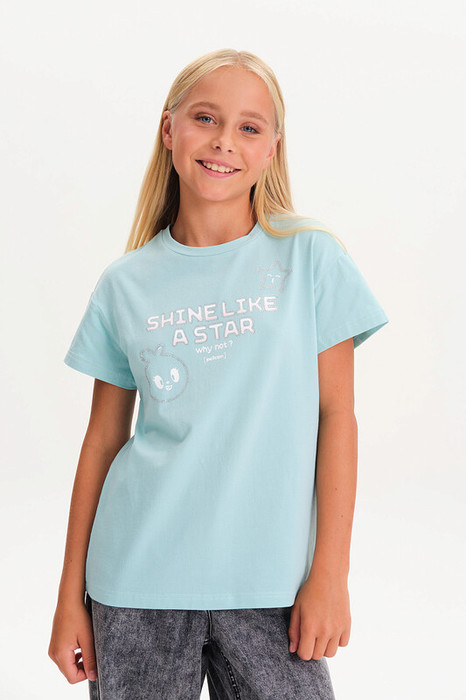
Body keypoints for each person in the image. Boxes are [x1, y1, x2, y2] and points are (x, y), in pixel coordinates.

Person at [48, 48, 389, 699]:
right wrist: (69, 598)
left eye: (249, 127)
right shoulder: (124, 284)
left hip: (273, 587)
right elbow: (102, 442)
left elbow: (336, 417)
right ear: (169, 129)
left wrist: (331, 574)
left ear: (271, 149)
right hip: (136, 582)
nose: (224, 140)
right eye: (206, 118)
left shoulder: (311, 260)